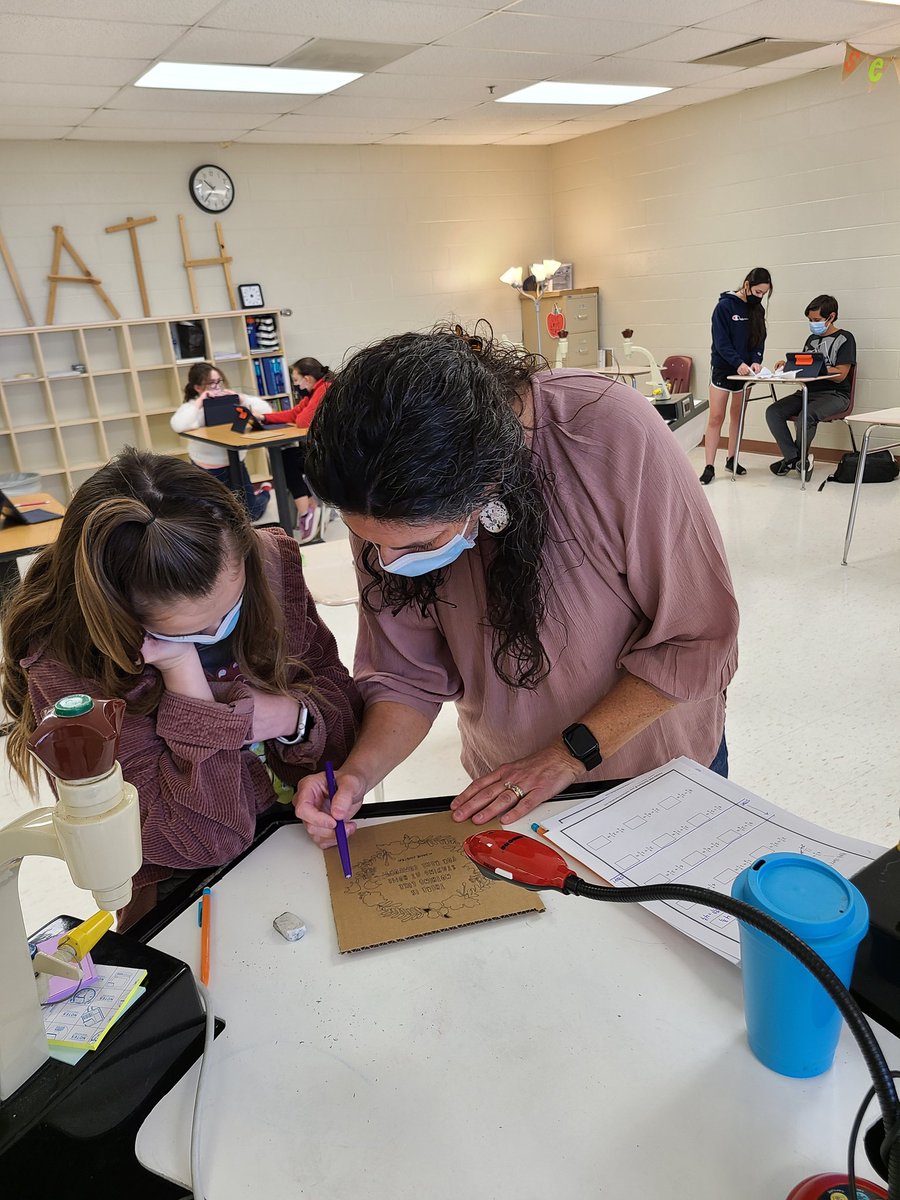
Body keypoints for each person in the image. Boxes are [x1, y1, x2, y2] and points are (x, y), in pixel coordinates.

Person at [294, 325, 739, 851]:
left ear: (487, 484)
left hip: (653, 773)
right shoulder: (383, 494)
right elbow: (407, 675)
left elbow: (698, 638)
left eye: (420, 543)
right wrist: (358, 774)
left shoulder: (608, 431)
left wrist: (564, 757)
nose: (387, 564)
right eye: (370, 542)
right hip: (511, 787)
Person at [1, 449, 362, 927]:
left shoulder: (270, 564)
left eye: (229, 612)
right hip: (183, 887)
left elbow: (345, 721)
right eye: (186, 633)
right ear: (120, 617)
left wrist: (295, 718)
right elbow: (202, 838)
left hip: (301, 835)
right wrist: (183, 675)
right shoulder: (68, 660)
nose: (217, 634)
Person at [765, 295, 856, 481]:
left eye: (816, 320)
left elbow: (841, 375)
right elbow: (805, 368)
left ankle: (793, 460)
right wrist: (788, 365)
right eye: (810, 321)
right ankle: (796, 459)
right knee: (773, 411)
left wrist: (820, 368)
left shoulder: (845, 339)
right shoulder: (811, 340)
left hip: (835, 394)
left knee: (806, 416)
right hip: (807, 391)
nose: (813, 324)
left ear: (831, 317)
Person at [170, 362, 273, 521]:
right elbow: (178, 424)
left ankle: (264, 491)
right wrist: (201, 401)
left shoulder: (231, 401)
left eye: (219, 381)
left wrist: (241, 398)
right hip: (208, 469)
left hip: (235, 465)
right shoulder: (192, 407)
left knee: (250, 514)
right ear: (198, 388)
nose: (217, 387)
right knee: (217, 517)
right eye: (211, 384)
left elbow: (267, 410)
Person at [700, 267, 773, 485]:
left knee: (737, 416)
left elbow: (760, 338)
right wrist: (738, 363)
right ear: (747, 285)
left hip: (746, 373)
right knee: (716, 417)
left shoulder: (757, 309)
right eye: (758, 292)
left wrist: (756, 360)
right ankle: (709, 466)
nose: (760, 297)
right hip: (725, 369)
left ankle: (732, 458)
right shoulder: (724, 307)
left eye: (764, 294)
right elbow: (721, 343)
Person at [265, 357, 332, 540]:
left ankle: (307, 512)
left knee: (287, 461)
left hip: (332, 455)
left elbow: (302, 422)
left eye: (296, 380)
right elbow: (294, 414)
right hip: (321, 449)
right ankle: (309, 509)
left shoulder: (323, 389)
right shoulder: (314, 391)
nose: (296, 384)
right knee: (287, 457)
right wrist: (264, 418)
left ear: (307, 379)